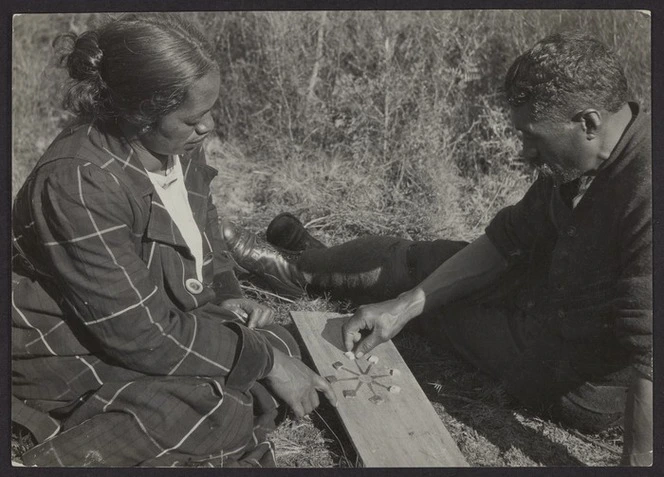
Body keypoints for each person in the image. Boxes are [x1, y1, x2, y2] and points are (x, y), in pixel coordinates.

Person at [223, 32, 652, 466]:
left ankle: (315, 266)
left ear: (590, 123)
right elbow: (506, 242)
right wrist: (403, 306)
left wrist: (640, 460)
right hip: (542, 289)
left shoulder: (648, 189)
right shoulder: (584, 155)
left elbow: (651, 355)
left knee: (438, 310)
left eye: (532, 138)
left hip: (566, 369)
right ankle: (302, 268)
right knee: (412, 264)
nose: (525, 153)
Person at [11, 13, 336, 467]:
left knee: (281, 342)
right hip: (66, 345)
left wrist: (227, 293)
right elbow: (140, 335)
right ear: (140, 111)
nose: (207, 128)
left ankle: (176, 413)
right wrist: (264, 362)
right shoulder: (79, 181)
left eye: (208, 113)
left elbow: (203, 223)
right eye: (193, 118)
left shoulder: (175, 142)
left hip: (148, 317)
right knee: (216, 404)